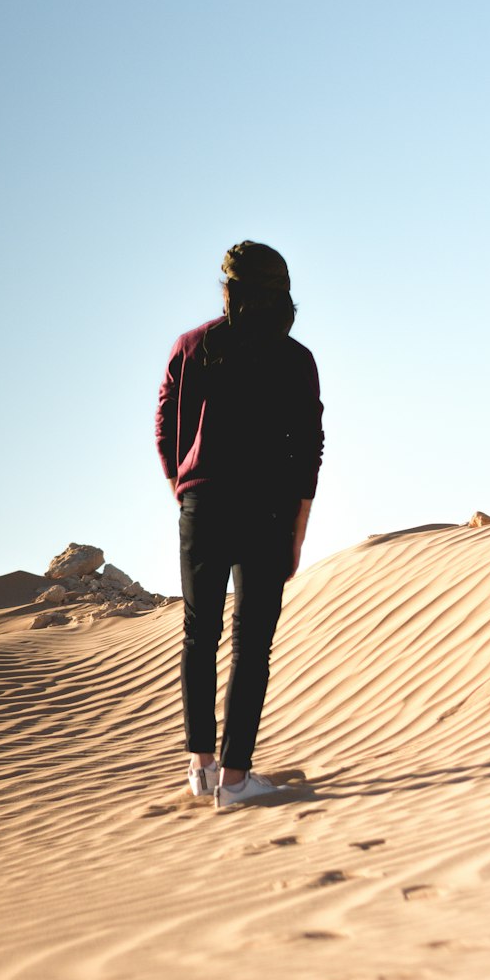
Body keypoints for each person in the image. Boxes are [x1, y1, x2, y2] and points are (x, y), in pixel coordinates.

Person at [155, 240, 324, 811]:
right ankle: (235, 780)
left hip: (202, 504)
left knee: (199, 634)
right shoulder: (295, 359)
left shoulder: (191, 346)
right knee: (252, 644)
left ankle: (200, 767)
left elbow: (164, 423)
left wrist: (184, 485)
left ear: (228, 289)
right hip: (268, 510)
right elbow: (308, 451)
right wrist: (297, 530)